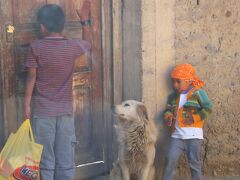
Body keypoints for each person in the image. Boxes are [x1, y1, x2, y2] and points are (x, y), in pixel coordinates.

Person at [24, 1, 92, 179]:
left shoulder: (35, 47)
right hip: (65, 112)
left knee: (45, 160)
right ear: (62, 27)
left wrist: (26, 106)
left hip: (43, 112)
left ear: (42, 27)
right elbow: (87, 43)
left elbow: (32, 78)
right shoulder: (71, 47)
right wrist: (84, 21)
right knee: (65, 159)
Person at [162, 64, 213, 180]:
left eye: (178, 81)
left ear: (188, 81)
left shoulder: (198, 93)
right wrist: (168, 116)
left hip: (193, 136)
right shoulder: (173, 97)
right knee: (170, 160)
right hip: (177, 136)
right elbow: (167, 110)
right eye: (173, 81)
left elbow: (208, 108)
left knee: (194, 164)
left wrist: (194, 118)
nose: (175, 85)